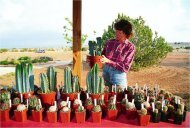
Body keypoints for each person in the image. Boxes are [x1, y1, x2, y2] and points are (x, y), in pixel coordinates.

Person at [100, 19, 135, 91]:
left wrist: (109, 61)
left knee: (120, 96)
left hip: (118, 75)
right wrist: (94, 58)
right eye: (116, 31)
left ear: (126, 34)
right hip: (106, 73)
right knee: (106, 97)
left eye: (120, 32)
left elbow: (125, 67)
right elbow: (102, 56)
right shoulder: (110, 42)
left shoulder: (130, 47)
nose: (117, 34)